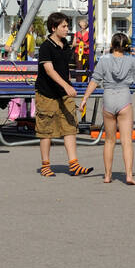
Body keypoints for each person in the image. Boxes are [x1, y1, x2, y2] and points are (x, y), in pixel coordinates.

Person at [78, 33, 135, 185]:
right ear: (127, 46)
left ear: (112, 45)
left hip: (108, 98)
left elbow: (95, 80)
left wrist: (85, 98)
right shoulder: (131, 61)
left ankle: (107, 175)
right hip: (124, 98)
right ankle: (129, 175)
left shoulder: (103, 61)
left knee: (109, 141)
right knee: (127, 142)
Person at [35, 12, 91, 177]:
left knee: (70, 126)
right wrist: (66, 86)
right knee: (46, 129)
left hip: (63, 93)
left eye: (68, 26)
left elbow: (64, 68)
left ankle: (74, 164)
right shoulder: (46, 46)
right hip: (47, 93)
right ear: (54, 28)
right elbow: (49, 70)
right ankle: (45, 165)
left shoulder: (65, 45)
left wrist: (68, 84)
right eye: (64, 26)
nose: (67, 29)